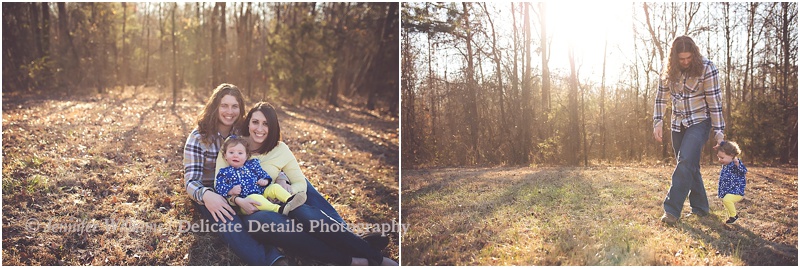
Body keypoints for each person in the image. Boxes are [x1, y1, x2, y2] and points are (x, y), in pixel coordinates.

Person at [217, 102, 398, 265]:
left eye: (266, 124)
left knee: (303, 210)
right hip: (251, 212)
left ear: (272, 127)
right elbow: (221, 183)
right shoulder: (233, 145)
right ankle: (351, 258)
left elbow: (299, 182)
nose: (259, 129)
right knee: (268, 221)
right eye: (255, 122)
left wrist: (285, 191)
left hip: (278, 201)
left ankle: (374, 257)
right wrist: (238, 201)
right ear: (248, 122)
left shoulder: (280, 149)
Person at [182, 83, 286, 265]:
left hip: (246, 186)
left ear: (240, 108)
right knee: (228, 220)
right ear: (215, 107)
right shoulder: (199, 137)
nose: (229, 111)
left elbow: (269, 155)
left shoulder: (243, 132)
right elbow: (190, 180)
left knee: (263, 211)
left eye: (234, 106)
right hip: (211, 192)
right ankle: (271, 260)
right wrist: (208, 195)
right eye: (224, 105)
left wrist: (282, 177)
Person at [652, 36, 725, 225]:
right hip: (678, 123)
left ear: (694, 54)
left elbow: (714, 102)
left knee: (685, 161)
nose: (685, 62)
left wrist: (719, 131)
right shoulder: (668, 70)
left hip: (700, 121)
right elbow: (661, 98)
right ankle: (700, 208)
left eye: (688, 58)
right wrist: (658, 122)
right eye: (681, 59)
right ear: (674, 58)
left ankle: (671, 210)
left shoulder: (707, 68)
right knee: (689, 164)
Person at [215, 135, 306, 215]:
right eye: (231, 152)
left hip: (262, 192)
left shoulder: (252, 165)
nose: (235, 155)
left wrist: (265, 181)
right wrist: (231, 191)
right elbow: (219, 187)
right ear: (225, 156)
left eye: (240, 153)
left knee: (275, 187)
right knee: (256, 198)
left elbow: (263, 174)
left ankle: (290, 200)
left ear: (246, 156)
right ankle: (279, 209)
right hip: (247, 200)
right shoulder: (224, 172)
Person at [716, 141, 747, 224]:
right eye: (719, 157)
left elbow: (744, 171)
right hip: (728, 190)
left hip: (736, 191)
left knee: (727, 200)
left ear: (732, 156)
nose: (720, 160)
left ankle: (734, 216)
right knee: (725, 201)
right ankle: (730, 216)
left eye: (722, 158)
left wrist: (738, 165)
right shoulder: (726, 164)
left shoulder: (735, 163)